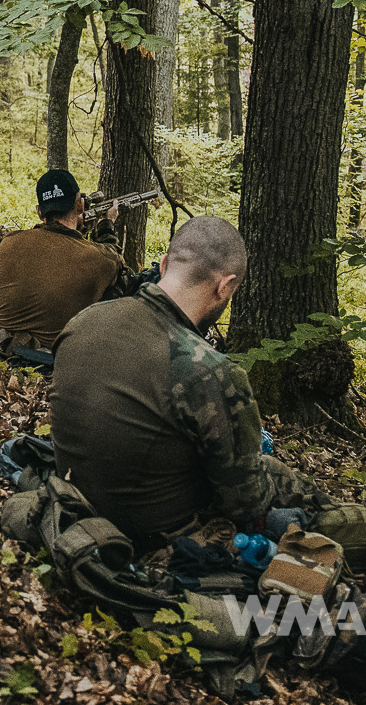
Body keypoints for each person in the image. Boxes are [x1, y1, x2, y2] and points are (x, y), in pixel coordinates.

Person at [48, 216, 319, 554]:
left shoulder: (84, 320)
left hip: (73, 505)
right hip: (155, 537)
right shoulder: (211, 371)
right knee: (283, 479)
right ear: (225, 286)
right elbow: (244, 506)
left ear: (163, 265)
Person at [0, 170, 125, 352]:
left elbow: (54, 254)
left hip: (6, 346)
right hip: (60, 355)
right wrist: (106, 225)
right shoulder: (98, 258)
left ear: (39, 212)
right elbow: (116, 260)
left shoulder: (8, 243)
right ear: (80, 206)